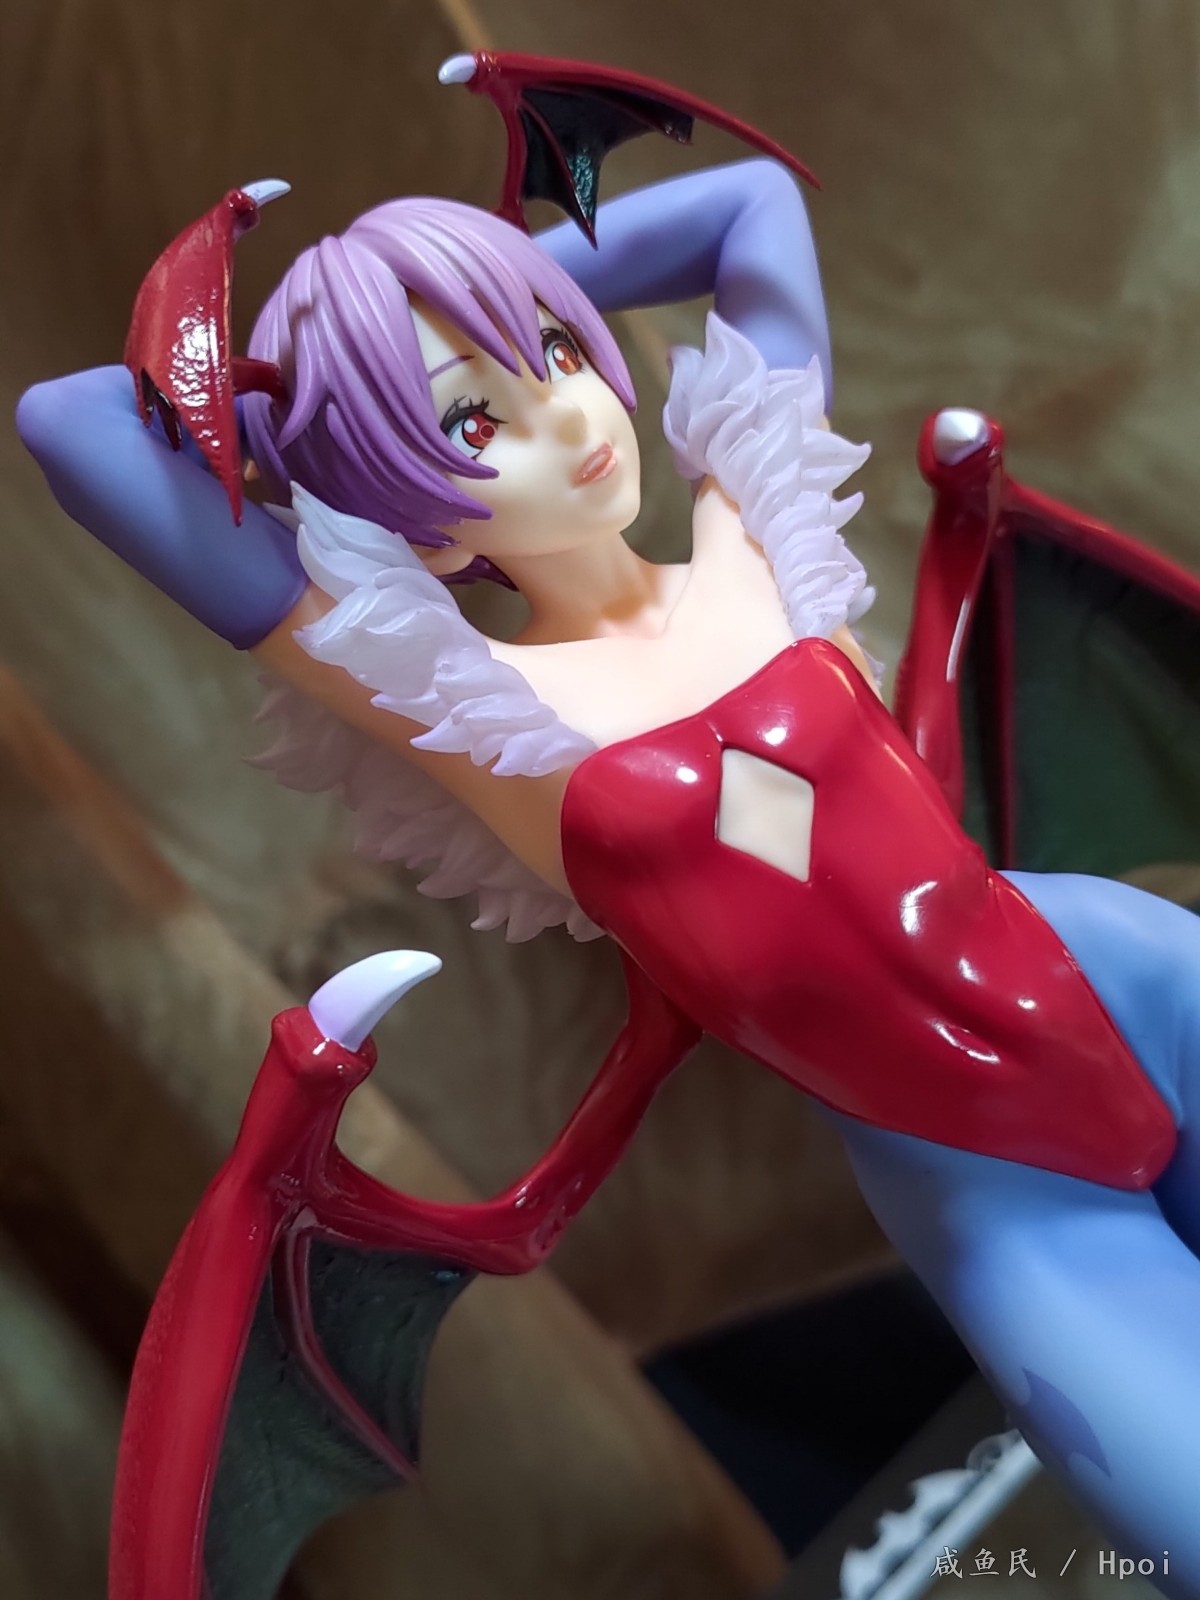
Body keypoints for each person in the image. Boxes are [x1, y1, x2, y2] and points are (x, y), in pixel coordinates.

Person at [17, 156, 1200, 1595]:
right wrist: (317, 402)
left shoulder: (755, 526)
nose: (569, 418)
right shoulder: (466, 704)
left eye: (562, 355)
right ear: (413, 511)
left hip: (1127, 971)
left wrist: (486, 293)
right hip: (984, 1173)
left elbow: (750, 205)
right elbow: (71, 423)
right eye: (474, 422)